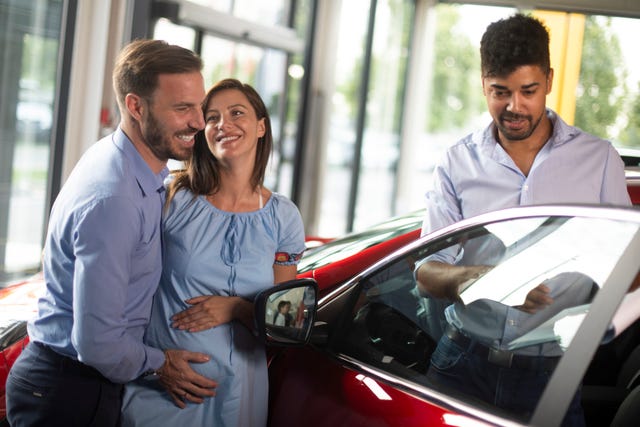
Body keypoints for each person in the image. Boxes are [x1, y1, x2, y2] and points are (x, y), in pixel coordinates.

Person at [414, 13, 631, 427]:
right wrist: (483, 279)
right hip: (462, 362)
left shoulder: (599, 161)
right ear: (483, 84)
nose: (514, 107)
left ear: (549, 80)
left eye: (528, 91)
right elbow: (426, 271)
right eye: (500, 92)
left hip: (552, 373)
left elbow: (626, 265)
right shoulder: (458, 162)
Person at [5, 39, 218, 427]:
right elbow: (98, 344)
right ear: (136, 106)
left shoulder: (132, 165)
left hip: (74, 384)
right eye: (183, 108)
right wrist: (161, 363)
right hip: (68, 394)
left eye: (200, 106)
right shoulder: (115, 198)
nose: (199, 123)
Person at [120, 78, 306, 426]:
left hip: (240, 392)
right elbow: (126, 288)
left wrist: (237, 308)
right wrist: (153, 363)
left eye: (237, 113)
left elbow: (286, 323)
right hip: (164, 387)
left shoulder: (284, 217)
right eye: (212, 117)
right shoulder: (171, 197)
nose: (224, 124)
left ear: (261, 126)